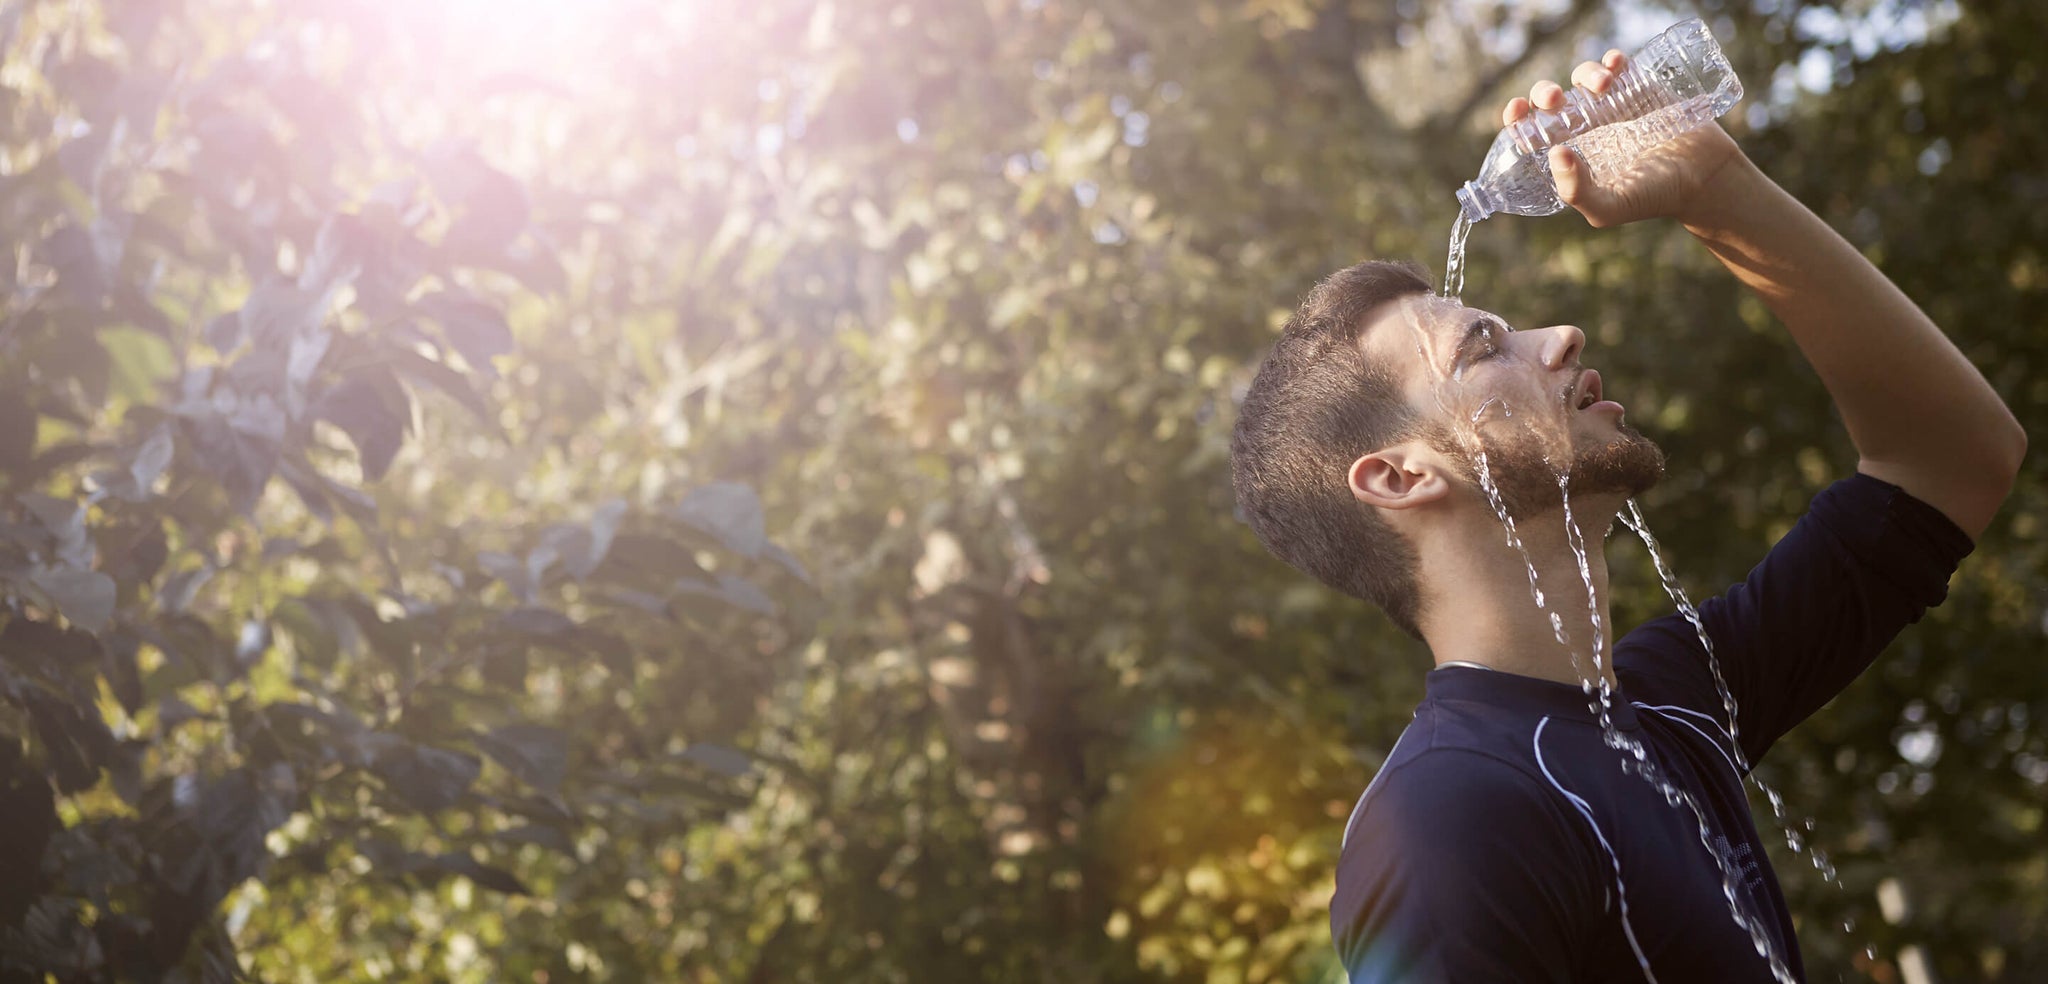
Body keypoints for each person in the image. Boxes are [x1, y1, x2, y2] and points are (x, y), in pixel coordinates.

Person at [1229, 49, 2027, 982]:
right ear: (1399, 479)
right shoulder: (1447, 818)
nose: (1559, 334)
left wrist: (1716, 186)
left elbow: (1954, 462)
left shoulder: (1674, 699)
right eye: (1484, 347)